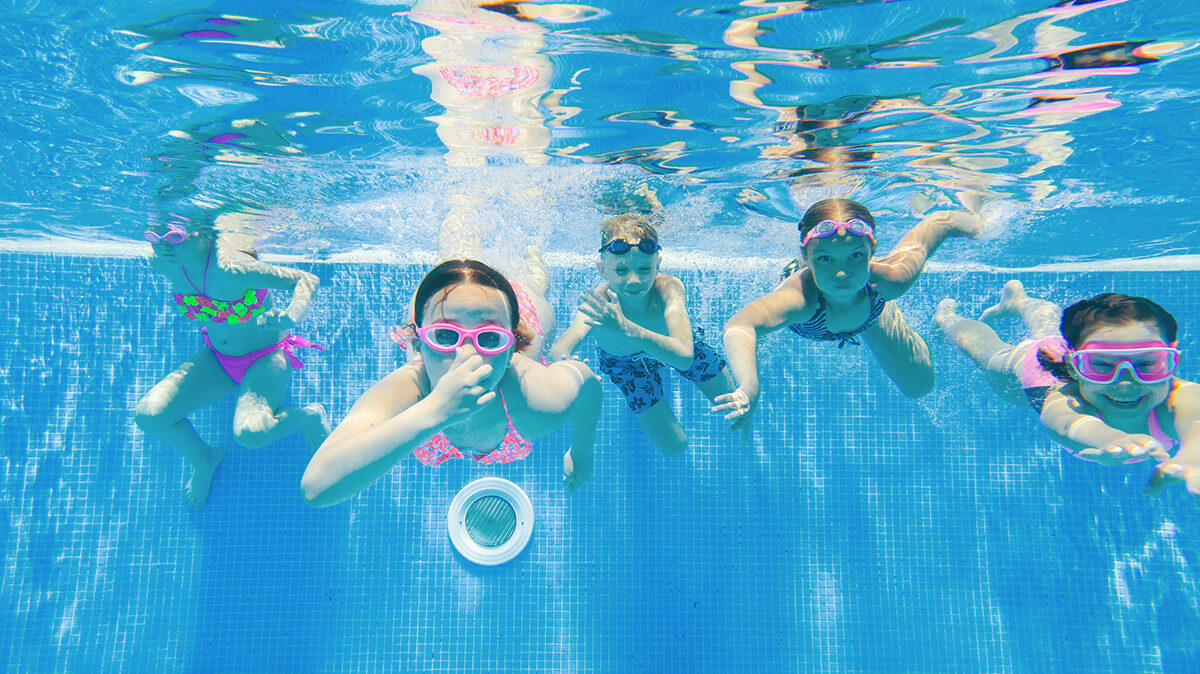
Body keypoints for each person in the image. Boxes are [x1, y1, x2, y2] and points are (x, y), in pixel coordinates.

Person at [300, 257, 602, 507]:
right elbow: (316, 487)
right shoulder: (411, 387)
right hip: (455, 310)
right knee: (455, 260)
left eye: (489, 339)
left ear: (510, 348)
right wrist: (435, 410)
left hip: (519, 310)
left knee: (533, 283)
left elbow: (587, 383)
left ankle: (532, 256)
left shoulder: (534, 397)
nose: (467, 357)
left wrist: (581, 452)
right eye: (445, 335)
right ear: (418, 344)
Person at [715, 198, 981, 429]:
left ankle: (935, 319)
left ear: (872, 250)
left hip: (869, 308)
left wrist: (979, 224)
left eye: (855, 256)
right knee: (758, 342)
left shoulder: (889, 281)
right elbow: (741, 326)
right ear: (806, 256)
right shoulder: (799, 300)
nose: (841, 274)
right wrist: (749, 386)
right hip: (822, 305)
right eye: (825, 259)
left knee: (920, 385)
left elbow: (938, 224)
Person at [133, 219, 329, 509]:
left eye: (175, 236)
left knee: (252, 434)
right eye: (154, 235)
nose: (163, 244)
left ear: (203, 234)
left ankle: (310, 416)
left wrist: (290, 316)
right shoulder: (163, 263)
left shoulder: (232, 269)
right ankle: (204, 459)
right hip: (216, 358)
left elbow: (305, 280)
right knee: (148, 416)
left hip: (264, 358)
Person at [936, 287, 1200, 494]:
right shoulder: (1067, 399)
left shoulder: (1180, 396)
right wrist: (1107, 438)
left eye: (1146, 363)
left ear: (1171, 359)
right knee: (987, 352)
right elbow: (1063, 423)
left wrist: (1192, 458)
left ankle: (1019, 300)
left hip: (1072, 351)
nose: (1126, 382)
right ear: (1075, 368)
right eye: (1103, 366)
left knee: (1049, 329)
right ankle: (948, 320)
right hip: (1039, 373)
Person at [549, 214, 737, 455]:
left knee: (736, 406)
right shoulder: (601, 302)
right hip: (627, 366)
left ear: (658, 264)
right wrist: (568, 366)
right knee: (674, 447)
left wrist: (625, 328)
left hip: (672, 346)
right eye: (622, 270)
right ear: (602, 269)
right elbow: (561, 346)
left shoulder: (669, 289)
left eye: (644, 269)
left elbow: (683, 356)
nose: (634, 279)